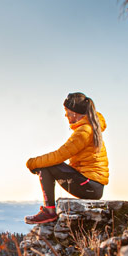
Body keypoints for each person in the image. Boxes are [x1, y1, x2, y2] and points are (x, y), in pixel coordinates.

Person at [24, 92, 109, 224]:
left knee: (46, 165)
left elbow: (59, 156)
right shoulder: (88, 128)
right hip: (92, 185)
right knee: (46, 165)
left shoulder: (84, 132)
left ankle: (49, 212)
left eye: (67, 111)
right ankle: (49, 211)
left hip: (90, 186)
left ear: (74, 113)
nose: (65, 115)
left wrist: (33, 163)